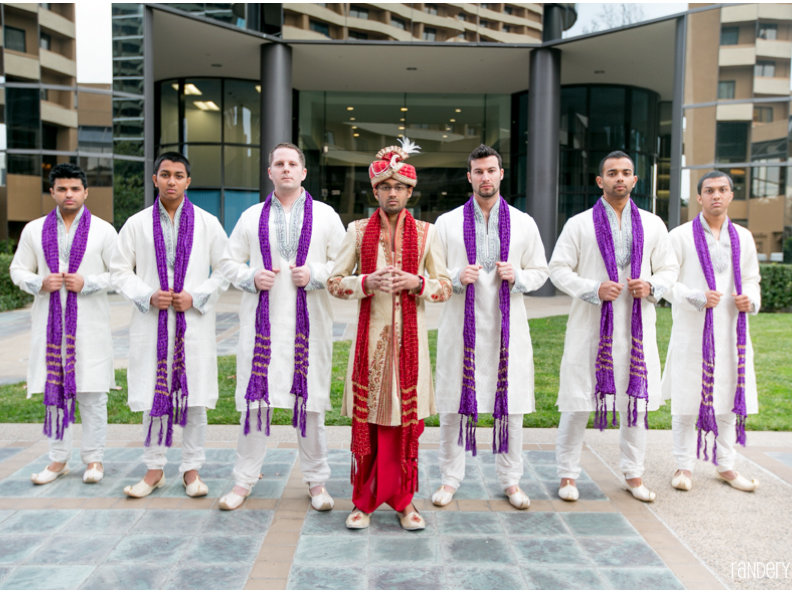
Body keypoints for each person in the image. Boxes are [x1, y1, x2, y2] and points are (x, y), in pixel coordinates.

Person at [328, 138, 452, 530]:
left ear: (410, 191)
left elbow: (445, 286)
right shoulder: (357, 229)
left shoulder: (428, 234)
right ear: (375, 191)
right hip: (369, 348)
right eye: (385, 187)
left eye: (399, 187)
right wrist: (367, 281)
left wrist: (417, 282)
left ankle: (404, 501)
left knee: (404, 427)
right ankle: (363, 502)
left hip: (410, 349)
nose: (392, 192)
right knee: (370, 423)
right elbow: (333, 282)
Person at [216, 143, 345, 511]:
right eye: (279, 164)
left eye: (292, 164)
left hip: (310, 326)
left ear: (304, 172)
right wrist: (250, 276)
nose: (286, 169)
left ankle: (317, 482)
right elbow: (226, 261)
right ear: (270, 172)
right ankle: (243, 481)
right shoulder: (251, 216)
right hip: (263, 328)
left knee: (311, 405)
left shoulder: (324, 215)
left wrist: (317, 273)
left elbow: (343, 262)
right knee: (255, 404)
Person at [549, 150, 678, 503]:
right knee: (576, 403)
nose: (619, 178)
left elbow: (669, 269)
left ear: (635, 180)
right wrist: (593, 288)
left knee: (634, 405)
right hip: (589, 329)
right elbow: (558, 269)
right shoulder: (578, 224)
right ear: (600, 180)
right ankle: (567, 475)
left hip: (635, 331)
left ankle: (633, 474)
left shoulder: (653, 224)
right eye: (612, 172)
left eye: (626, 173)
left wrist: (652, 286)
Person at [431, 144, 549, 510]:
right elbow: (430, 276)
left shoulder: (524, 222)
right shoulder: (447, 223)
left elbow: (541, 272)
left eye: (491, 170)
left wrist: (520, 277)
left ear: (501, 174)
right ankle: (450, 479)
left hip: (507, 330)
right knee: (453, 405)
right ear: (469, 176)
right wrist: (454, 276)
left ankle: (511, 480)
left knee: (510, 405)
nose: (485, 177)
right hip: (459, 328)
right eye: (478, 171)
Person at [111, 151, 229, 498]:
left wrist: (197, 295)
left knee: (193, 400)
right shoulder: (136, 224)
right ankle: (154, 469)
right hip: (152, 325)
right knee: (153, 395)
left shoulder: (208, 223)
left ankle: (192, 471)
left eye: (179, 175)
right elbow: (119, 270)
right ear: (155, 179)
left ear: (188, 181)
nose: (172, 181)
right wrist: (147, 294)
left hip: (192, 324)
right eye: (165, 174)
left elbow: (226, 268)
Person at [10, 162, 117, 485]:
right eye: (62, 189)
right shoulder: (34, 230)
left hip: (90, 325)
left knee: (93, 392)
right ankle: (58, 459)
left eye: (74, 188)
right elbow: (18, 270)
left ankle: (94, 460)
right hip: (50, 325)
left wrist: (90, 282)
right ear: (52, 192)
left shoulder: (103, 230)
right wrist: (39, 282)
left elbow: (121, 273)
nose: (68, 194)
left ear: (85, 192)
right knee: (55, 391)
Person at [662, 171, 760, 492]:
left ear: (731, 196)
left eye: (722, 190)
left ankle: (726, 466)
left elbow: (752, 280)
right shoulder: (679, 237)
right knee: (687, 401)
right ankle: (683, 466)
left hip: (731, 331)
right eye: (709, 190)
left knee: (729, 401)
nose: (716, 195)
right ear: (699, 197)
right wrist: (696, 296)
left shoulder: (743, 237)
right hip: (692, 331)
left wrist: (751, 300)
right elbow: (666, 284)